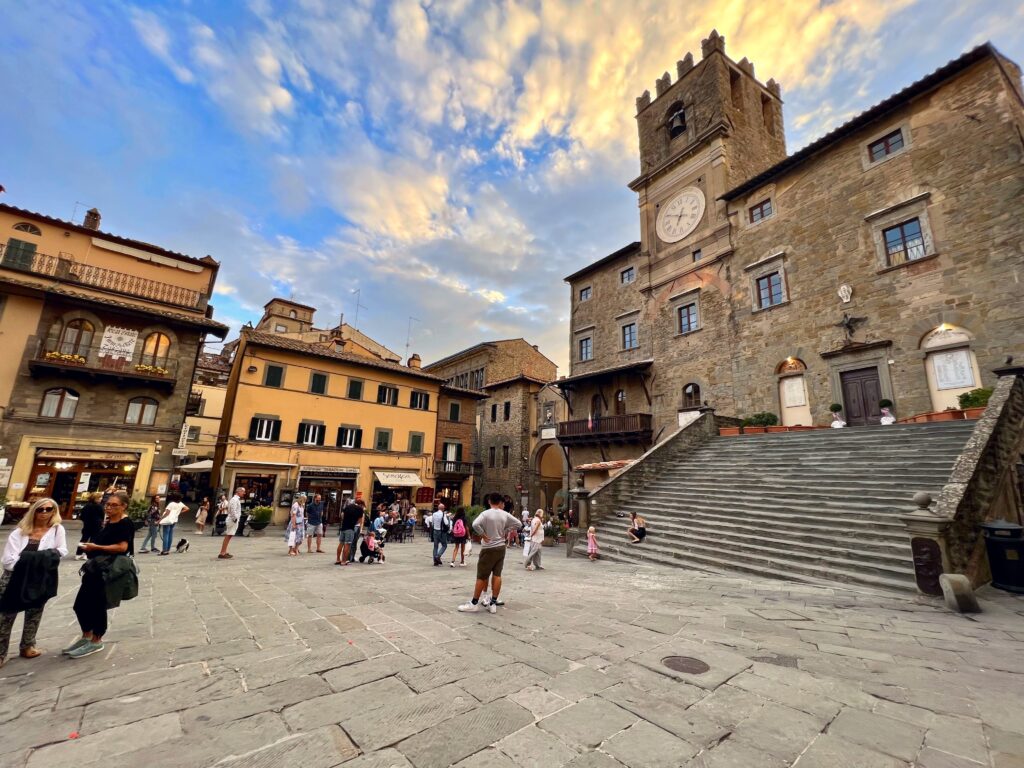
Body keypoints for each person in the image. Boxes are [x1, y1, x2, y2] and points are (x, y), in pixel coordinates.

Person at [66, 491, 135, 659]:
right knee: (80, 605)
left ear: (123, 506)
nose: (109, 508)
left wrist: (95, 547)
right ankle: (86, 636)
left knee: (97, 605)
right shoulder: (109, 521)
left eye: (113, 505)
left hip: (107, 570)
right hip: (95, 568)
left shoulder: (125, 523)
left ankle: (97, 640)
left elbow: (122, 547)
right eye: (108, 505)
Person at [0, 498, 67, 668]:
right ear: (34, 511)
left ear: (54, 511)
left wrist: (30, 560)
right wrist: (39, 560)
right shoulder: (20, 532)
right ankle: (1, 653)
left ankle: (28, 646)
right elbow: (8, 560)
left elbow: (62, 550)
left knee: (35, 612)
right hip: (14, 577)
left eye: (48, 509)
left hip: (39, 577)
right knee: (5, 615)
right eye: (40, 509)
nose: (44, 512)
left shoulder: (57, 529)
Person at [458, 493, 522, 614]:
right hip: (501, 547)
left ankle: (474, 603)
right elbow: (518, 524)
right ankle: (493, 603)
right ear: (500, 502)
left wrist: (482, 534)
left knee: (482, 576)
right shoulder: (505, 514)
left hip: (488, 547)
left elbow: (475, 524)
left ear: (489, 501)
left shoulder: (486, 513)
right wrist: (505, 530)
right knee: (497, 575)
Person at [218, 487, 246, 559]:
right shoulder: (234, 499)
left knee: (229, 536)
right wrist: (235, 519)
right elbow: (232, 510)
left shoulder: (236, 499)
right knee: (228, 536)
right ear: (238, 491)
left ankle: (224, 551)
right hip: (232, 520)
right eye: (243, 492)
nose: (244, 493)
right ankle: (222, 552)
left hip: (232, 520)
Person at [337, 498, 365, 566]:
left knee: (341, 543)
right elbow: (360, 521)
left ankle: (338, 559)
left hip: (343, 527)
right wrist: (353, 523)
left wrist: (345, 521)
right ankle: (344, 561)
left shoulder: (348, 506)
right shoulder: (360, 509)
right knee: (348, 544)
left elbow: (342, 515)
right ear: (361, 504)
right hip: (350, 528)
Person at [77, 492, 104, 561]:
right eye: (100, 497)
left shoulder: (86, 506)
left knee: (84, 539)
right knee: (93, 540)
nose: (101, 499)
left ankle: (78, 553)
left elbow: (82, 516)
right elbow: (102, 515)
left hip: (87, 525)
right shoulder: (99, 506)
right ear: (96, 499)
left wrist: (86, 521)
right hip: (96, 525)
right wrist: (101, 522)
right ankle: (87, 554)